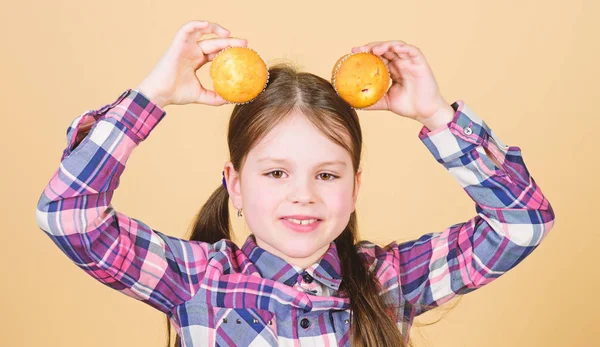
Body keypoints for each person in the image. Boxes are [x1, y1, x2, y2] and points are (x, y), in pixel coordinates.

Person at [35, 20, 556, 347]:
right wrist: (150, 96)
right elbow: (68, 216)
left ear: (355, 187)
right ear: (235, 185)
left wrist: (438, 116)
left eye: (327, 174)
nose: (303, 194)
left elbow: (522, 224)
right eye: (276, 173)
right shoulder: (194, 281)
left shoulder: (390, 282)